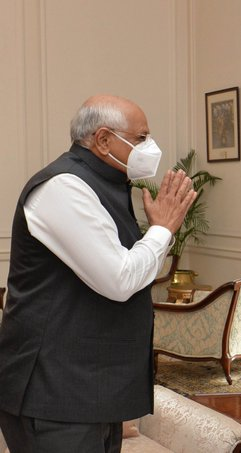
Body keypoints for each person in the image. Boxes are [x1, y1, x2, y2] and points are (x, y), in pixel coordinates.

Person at [0, 94, 197, 452]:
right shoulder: (63, 187)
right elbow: (120, 280)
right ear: (104, 140)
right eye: (141, 138)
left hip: (92, 392)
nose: (150, 147)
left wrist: (160, 231)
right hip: (55, 395)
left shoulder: (107, 185)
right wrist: (163, 230)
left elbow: (135, 272)